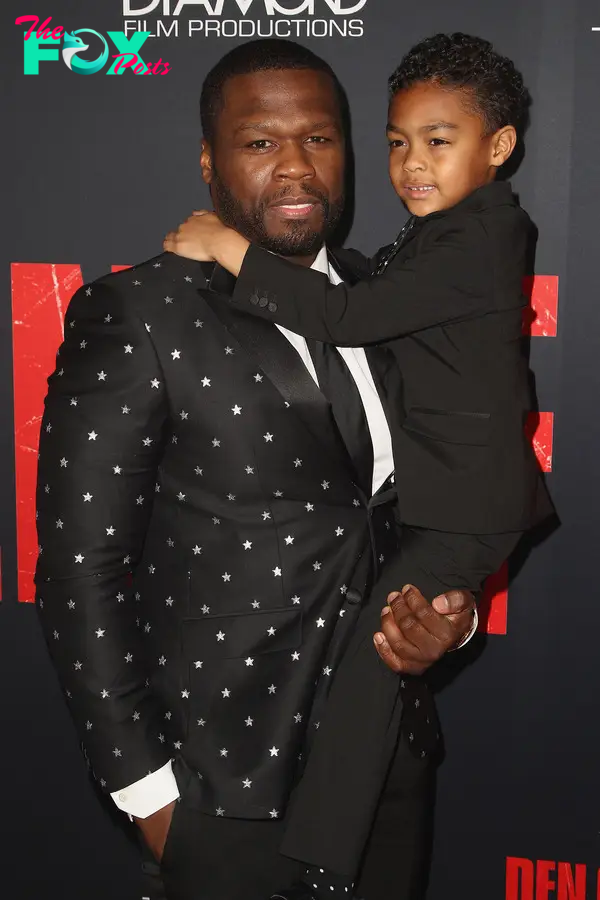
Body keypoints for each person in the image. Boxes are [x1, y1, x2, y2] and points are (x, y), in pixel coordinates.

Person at [34, 39, 477, 900]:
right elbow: (78, 569)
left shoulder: (384, 298)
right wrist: (147, 793)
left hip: (387, 763)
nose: (296, 168)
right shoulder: (138, 312)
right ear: (209, 159)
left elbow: (413, 513)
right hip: (222, 789)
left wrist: (450, 621)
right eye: (260, 142)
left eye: (318, 138)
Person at [163, 32, 555, 900]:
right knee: (380, 655)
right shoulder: (442, 231)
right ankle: (326, 850)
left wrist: (231, 250)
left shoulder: (480, 237)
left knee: (376, 666)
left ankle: (323, 856)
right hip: (451, 504)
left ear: (498, 147)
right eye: (396, 142)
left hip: (465, 505)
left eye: (438, 141)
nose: (411, 164)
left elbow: (343, 315)